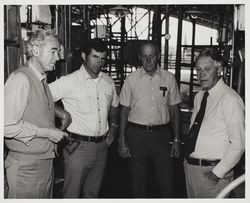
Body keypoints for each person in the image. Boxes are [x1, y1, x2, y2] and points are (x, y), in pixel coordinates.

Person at [49, 39, 119, 198]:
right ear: (83, 56)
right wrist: (62, 113)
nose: (99, 62)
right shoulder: (69, 81)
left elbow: (115, 105)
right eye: (95, 57)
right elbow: (42, 95)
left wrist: (114, 126)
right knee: (71, 194)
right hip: (77, 148)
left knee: (92, 194)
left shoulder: (108, 81)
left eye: (103, 58)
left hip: (102, 147)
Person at [4, 29, 69, 198]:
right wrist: (46, 132)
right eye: (53, 52)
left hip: (43, 162)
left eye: (58, 52)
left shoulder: (41, 79)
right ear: (35, 50)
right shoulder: (20, 79)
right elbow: (6, 125)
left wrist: (60, 114)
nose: (58, 58)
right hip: (26, 167)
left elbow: (37, 105)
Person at [118, 41, 182, 197]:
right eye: (144, 56)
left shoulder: (169, 78)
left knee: (166, 179)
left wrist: (176, 140)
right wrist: (122, 140)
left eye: (151, 56)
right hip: (136, 136)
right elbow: (124, 110)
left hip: (161, 136)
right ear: (140, 57)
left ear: (158, 56)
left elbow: (174, 110)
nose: (148, 61)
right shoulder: (131, 79)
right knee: (137, 181)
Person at [183, 48, 245, 198]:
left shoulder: (230, 99)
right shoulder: (199, 97)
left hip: (211, 174)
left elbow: (239, 144)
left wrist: (218, 173)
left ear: (219, 70)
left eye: (207, 69)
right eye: (198, 69)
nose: (201, 74)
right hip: (191, 169)